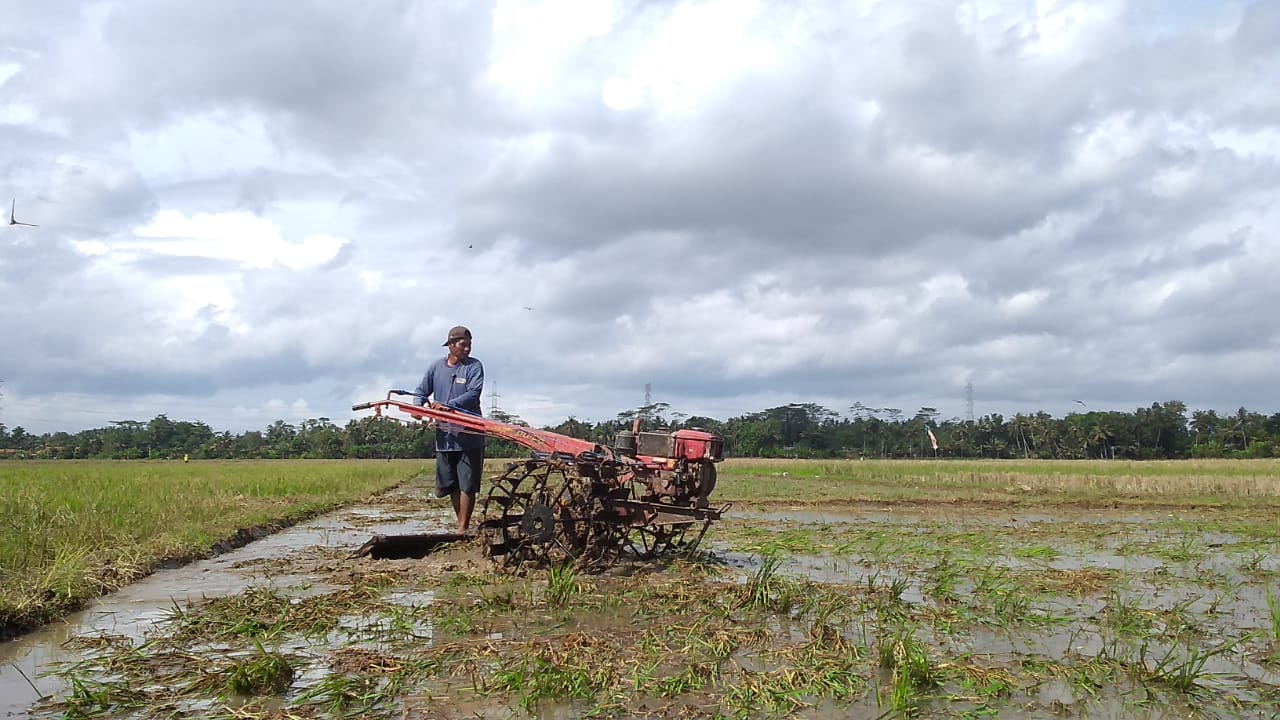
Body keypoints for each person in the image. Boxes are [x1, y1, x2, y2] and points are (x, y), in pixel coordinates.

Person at [414, 325, 485, 534]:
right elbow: (421, 390)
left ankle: (462, 528)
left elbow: (473, 393)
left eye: (469, 345)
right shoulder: (436, 367)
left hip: (469, 435)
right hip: (444, 436)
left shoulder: (474, 366)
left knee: (467, 485)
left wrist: (449, 405)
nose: (467, 349)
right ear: (451, 345)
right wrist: (417, 406)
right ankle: (461, 524)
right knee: (452, 483)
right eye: (463, 345)